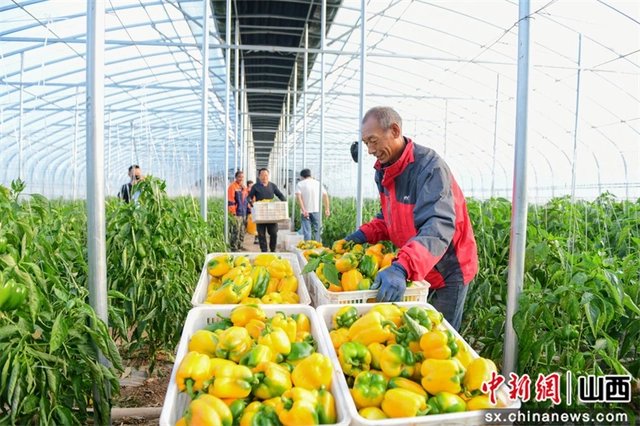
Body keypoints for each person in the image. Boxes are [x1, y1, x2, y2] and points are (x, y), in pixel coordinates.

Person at [339, 106, 478, 331]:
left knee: (441, 335)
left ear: (394, 130)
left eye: (373, 141)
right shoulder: (384, 170)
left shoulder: (429, 168)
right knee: (414, 332)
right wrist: (363, 234)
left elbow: (438, 226)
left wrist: (402, 267)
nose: (370, 150)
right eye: (366, 144)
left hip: (448, 268)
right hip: (417, 267)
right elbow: (389, 216)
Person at [247, 168, 286, 252]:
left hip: (271, 213)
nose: (264, 177)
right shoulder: (255, 187)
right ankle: (264, 250)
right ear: (259, 176)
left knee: (273, 233)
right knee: (261, 234)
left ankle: (273, 250)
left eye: (266, 175)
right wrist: (251, 202)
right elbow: (249, 196)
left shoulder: (272, 186)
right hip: (260, 213)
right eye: (262, 175)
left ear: (268, 176)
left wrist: (284, 201)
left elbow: (280, 194)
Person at [295, 169, 330, 241]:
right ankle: (318, 246)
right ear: (310, 175)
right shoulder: (318, 183)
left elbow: (298, 197)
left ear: (302, 176)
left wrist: (304, 210)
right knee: (318, 230)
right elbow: (325, 195)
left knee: (307, 232)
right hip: (316, 210)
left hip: (305, 212)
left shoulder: (300, 184)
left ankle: (308, 248)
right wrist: (327, 209)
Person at [227, 171, 249, 252]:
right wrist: (233, 213)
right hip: (237, 213)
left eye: (242, 177)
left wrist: (248, 211)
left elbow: (246, 200)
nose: (241, 178)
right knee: (236, 230)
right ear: (236, 177)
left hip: (243, 212)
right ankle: (234, 247)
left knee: (242, 230)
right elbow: (231, 201)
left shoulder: (243, 187)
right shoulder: (232, 187)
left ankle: (240, 245)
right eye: (239, 177)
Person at [246, 180, 259, 244]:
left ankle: (256, 238)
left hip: (254, 208)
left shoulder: (254, 191)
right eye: (251, 185)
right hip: (249, 209)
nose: (252, 186)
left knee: (256, 224)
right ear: (248, 185)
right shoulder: (247, 191)